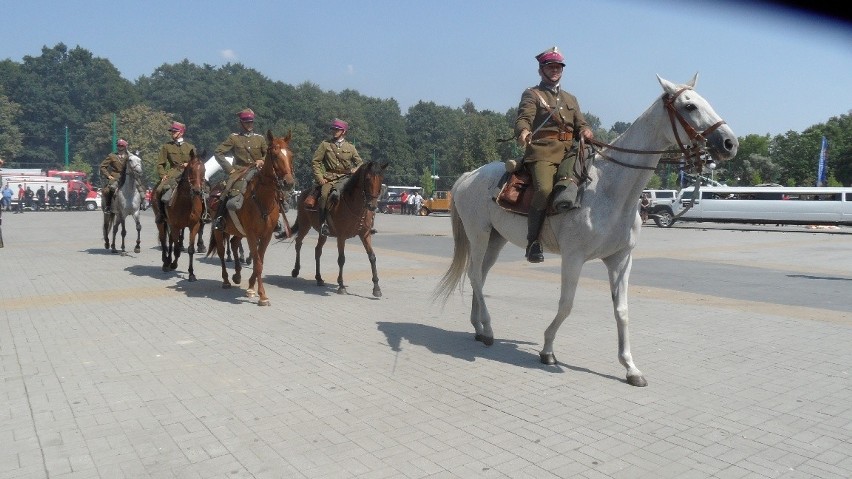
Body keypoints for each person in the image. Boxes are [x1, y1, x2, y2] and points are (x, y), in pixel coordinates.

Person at [514, 46, 594, 263]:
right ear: (541, 70)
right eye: (550, 67)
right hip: (543, 151)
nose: (555, 70)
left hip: (570, 151)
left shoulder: (570, 98)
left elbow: (581, 123)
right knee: (544, 189)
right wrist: (523, 131)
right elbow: (524, 117)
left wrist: (586, 130)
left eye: (558, 66)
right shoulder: (532, 94)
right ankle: (533, 242)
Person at [212, 108, 268, 230]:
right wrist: (230, 170)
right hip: (239, 171)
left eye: (251, 122)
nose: (249, 124)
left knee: (274, 188)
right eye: (246, 122)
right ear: (241, 123)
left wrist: (262, 160)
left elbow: (268, 153)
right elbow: (218, 152)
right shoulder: (234, 138)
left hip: (258, 170)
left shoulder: (260, 138)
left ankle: (275, 219)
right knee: (227, 190)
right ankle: (220, 218)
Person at [311, 118, 364, 236]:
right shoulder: (325, 145)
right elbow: (316, 162)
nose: (334, 131)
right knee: (324, 195)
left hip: (346, 178)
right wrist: (319, 177)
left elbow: (360, 163)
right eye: (333, 129)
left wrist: (356, 169)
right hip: (329, 177)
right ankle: (323, 223)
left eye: (337, 129)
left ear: (343, 131)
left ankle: (363, 223)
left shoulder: (350, 147)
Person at [155, 121, 201, 223]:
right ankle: (161, 214)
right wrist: (163, 175)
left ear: (181, 132)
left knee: (203, 190)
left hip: (188, 173)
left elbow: (195, 162)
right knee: (159, 190)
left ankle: (204, 214)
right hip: (173, 173)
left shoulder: (190, 147)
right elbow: (160, 164)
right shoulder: (166, 146)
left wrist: (188, 164)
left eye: (174, 131)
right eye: (171, 132)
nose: (172, 133)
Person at [100, 139, 130, 212]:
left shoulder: (129, 156)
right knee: (110, 189)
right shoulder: (112, 156)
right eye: (119, 145)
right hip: (115, 176)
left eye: (122, 146)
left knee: (139, 186)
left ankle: (141, 203)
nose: (120, 147)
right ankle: (108, 206)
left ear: (125, 147)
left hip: (127, 176)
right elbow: (102, 166)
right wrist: (108, 175)